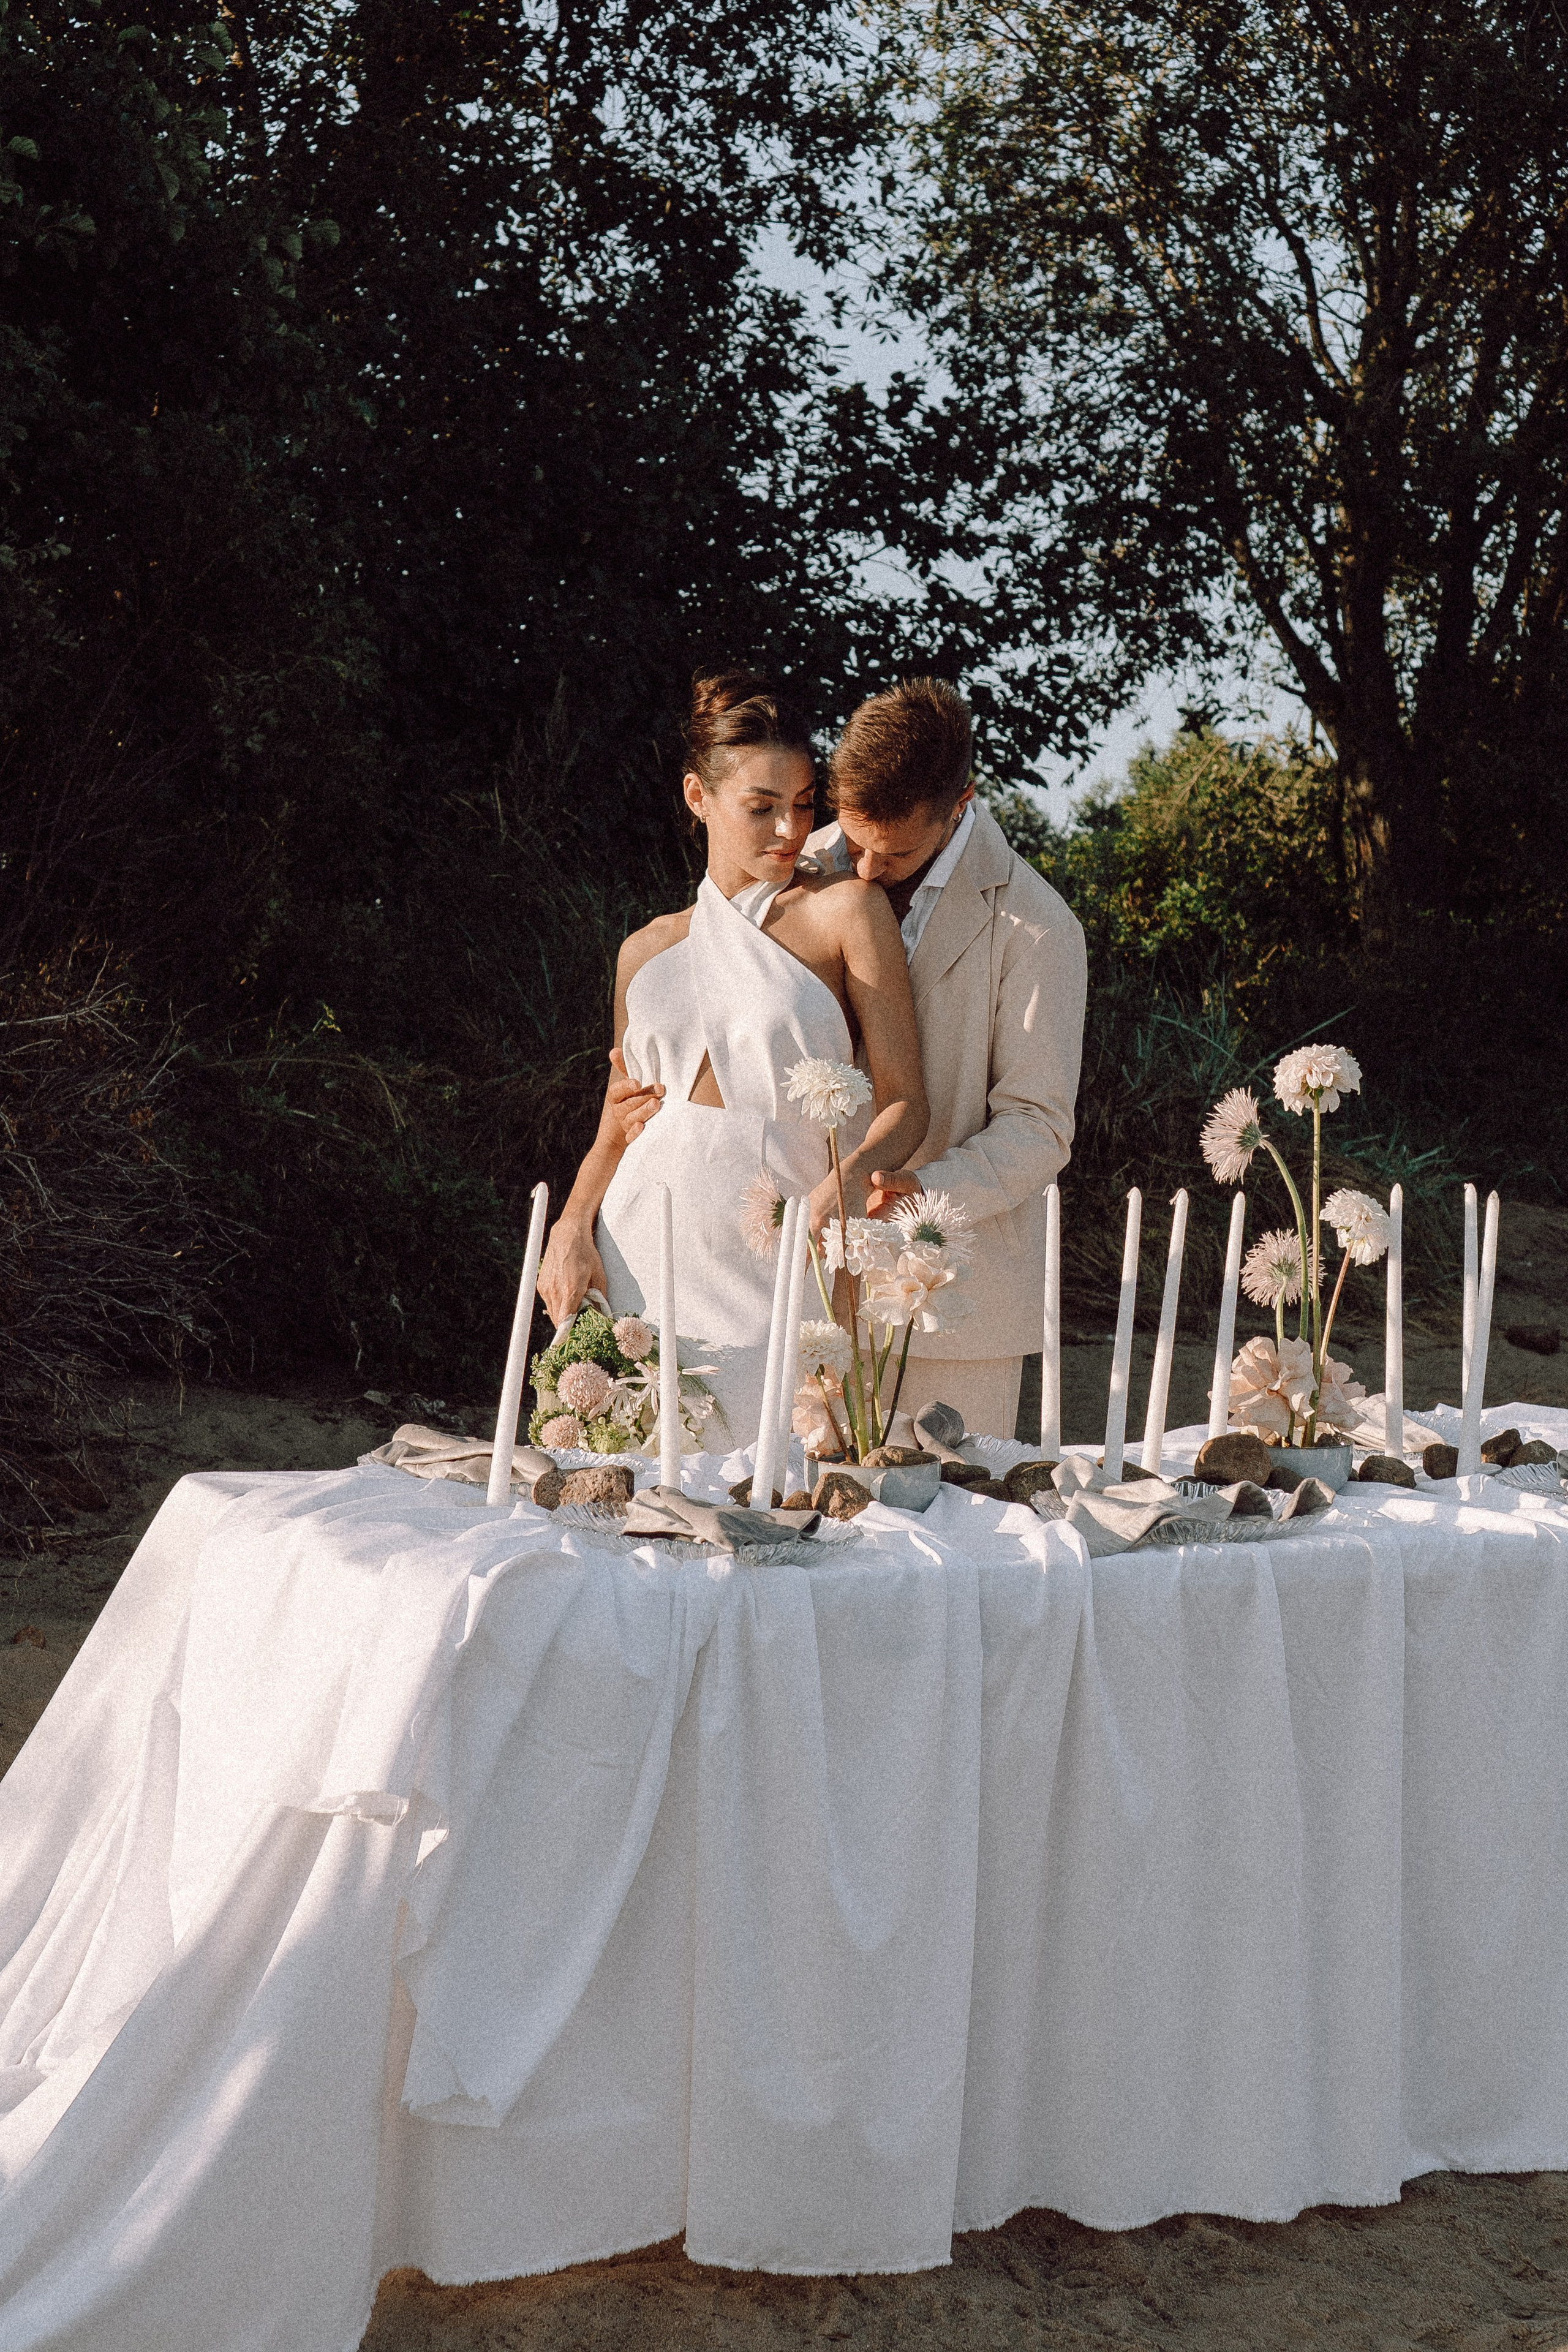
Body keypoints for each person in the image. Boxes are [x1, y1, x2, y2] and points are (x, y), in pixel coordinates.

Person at [609, 677, 1085, 1441]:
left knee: (939, 1537)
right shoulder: (802, 851)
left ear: (958, 803)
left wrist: (910, 1192)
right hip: (789, 1281)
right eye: (850, 838)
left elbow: (1039, 1126)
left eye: (889, 853)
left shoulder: (1037, 928)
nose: (858, 868)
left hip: (946, 1302)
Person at [537, 670, 927, 1443]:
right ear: (697, 798)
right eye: (761, 808)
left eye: (805, 804)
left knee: (775, 1492)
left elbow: (907, 1102)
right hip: (640, 1243)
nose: (790, 829)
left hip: (778, 1246)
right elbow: (621, 1122)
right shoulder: (644, 950)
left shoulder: (846, 910)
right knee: (618, 1488)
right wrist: (572, 1223)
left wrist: (844, 1182)